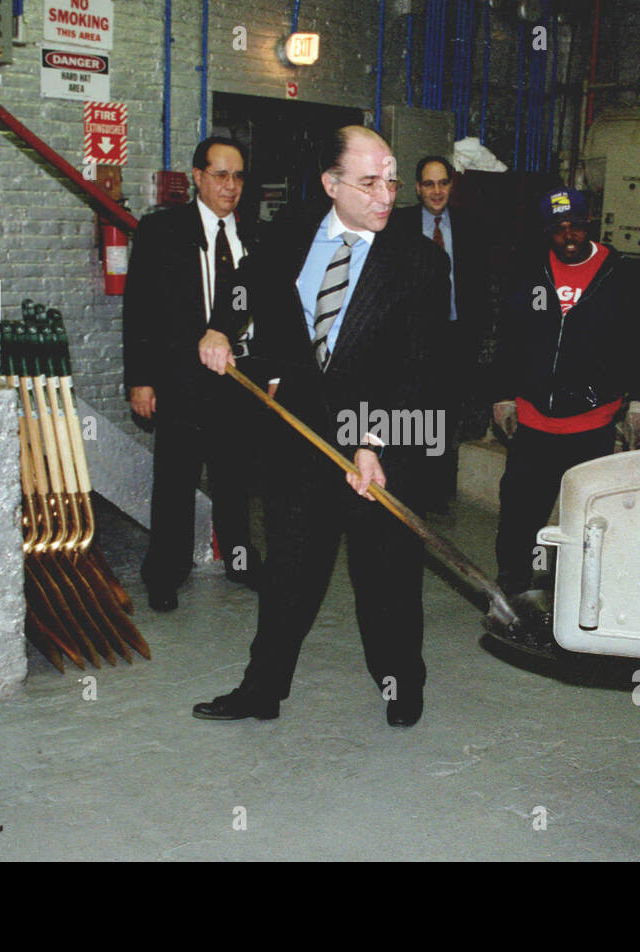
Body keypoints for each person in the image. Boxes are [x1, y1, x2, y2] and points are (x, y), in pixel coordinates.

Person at [193, 126, 450, 726]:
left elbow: (425, 370)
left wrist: (374, 441)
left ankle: (399, 681)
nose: (387, 195)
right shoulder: (292, 231)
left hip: (380, 437)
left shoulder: (420, 262)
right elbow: (244, 286)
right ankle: (263, 689)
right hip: (302, 435)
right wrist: (219, 328)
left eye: (391, 178)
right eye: (368, 182)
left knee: (385, 575)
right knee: (290, 573)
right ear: (331, 184)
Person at [492, 187, 640, 618]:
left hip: (591, 424)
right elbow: (508, 339)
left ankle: (585, 602)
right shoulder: (530, 270)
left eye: (575, 226)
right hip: (532, 422)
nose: (567, 235)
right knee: (518, 513)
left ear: (590, 225)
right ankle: (510, 591)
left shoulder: (620, 275)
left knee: (589, 522)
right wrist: (500, 396)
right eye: (558, 228)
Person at [122, 136, 263, 612]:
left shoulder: (256, 237)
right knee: (175, 482)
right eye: (220, 175)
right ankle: (165, 572)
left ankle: (241, 562)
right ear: (197, 177)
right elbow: (138, 309)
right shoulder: (161, 230)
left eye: (238, 175)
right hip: (179, 379)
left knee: (235, 481)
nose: (231, 185)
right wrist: (141, 380)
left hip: (239, 382)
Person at [390, 155, 492, 511]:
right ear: (417, 188)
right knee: (409, 414)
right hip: (409, 342)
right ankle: (408, 487)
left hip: (454, 338)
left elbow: (481, 287)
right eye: (429, 184)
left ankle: (435, 491)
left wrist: (475, 337)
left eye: (443, 183)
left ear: (452, 185)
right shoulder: (397, 225)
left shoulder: (472, 227)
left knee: (445, 415)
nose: (436, 191)